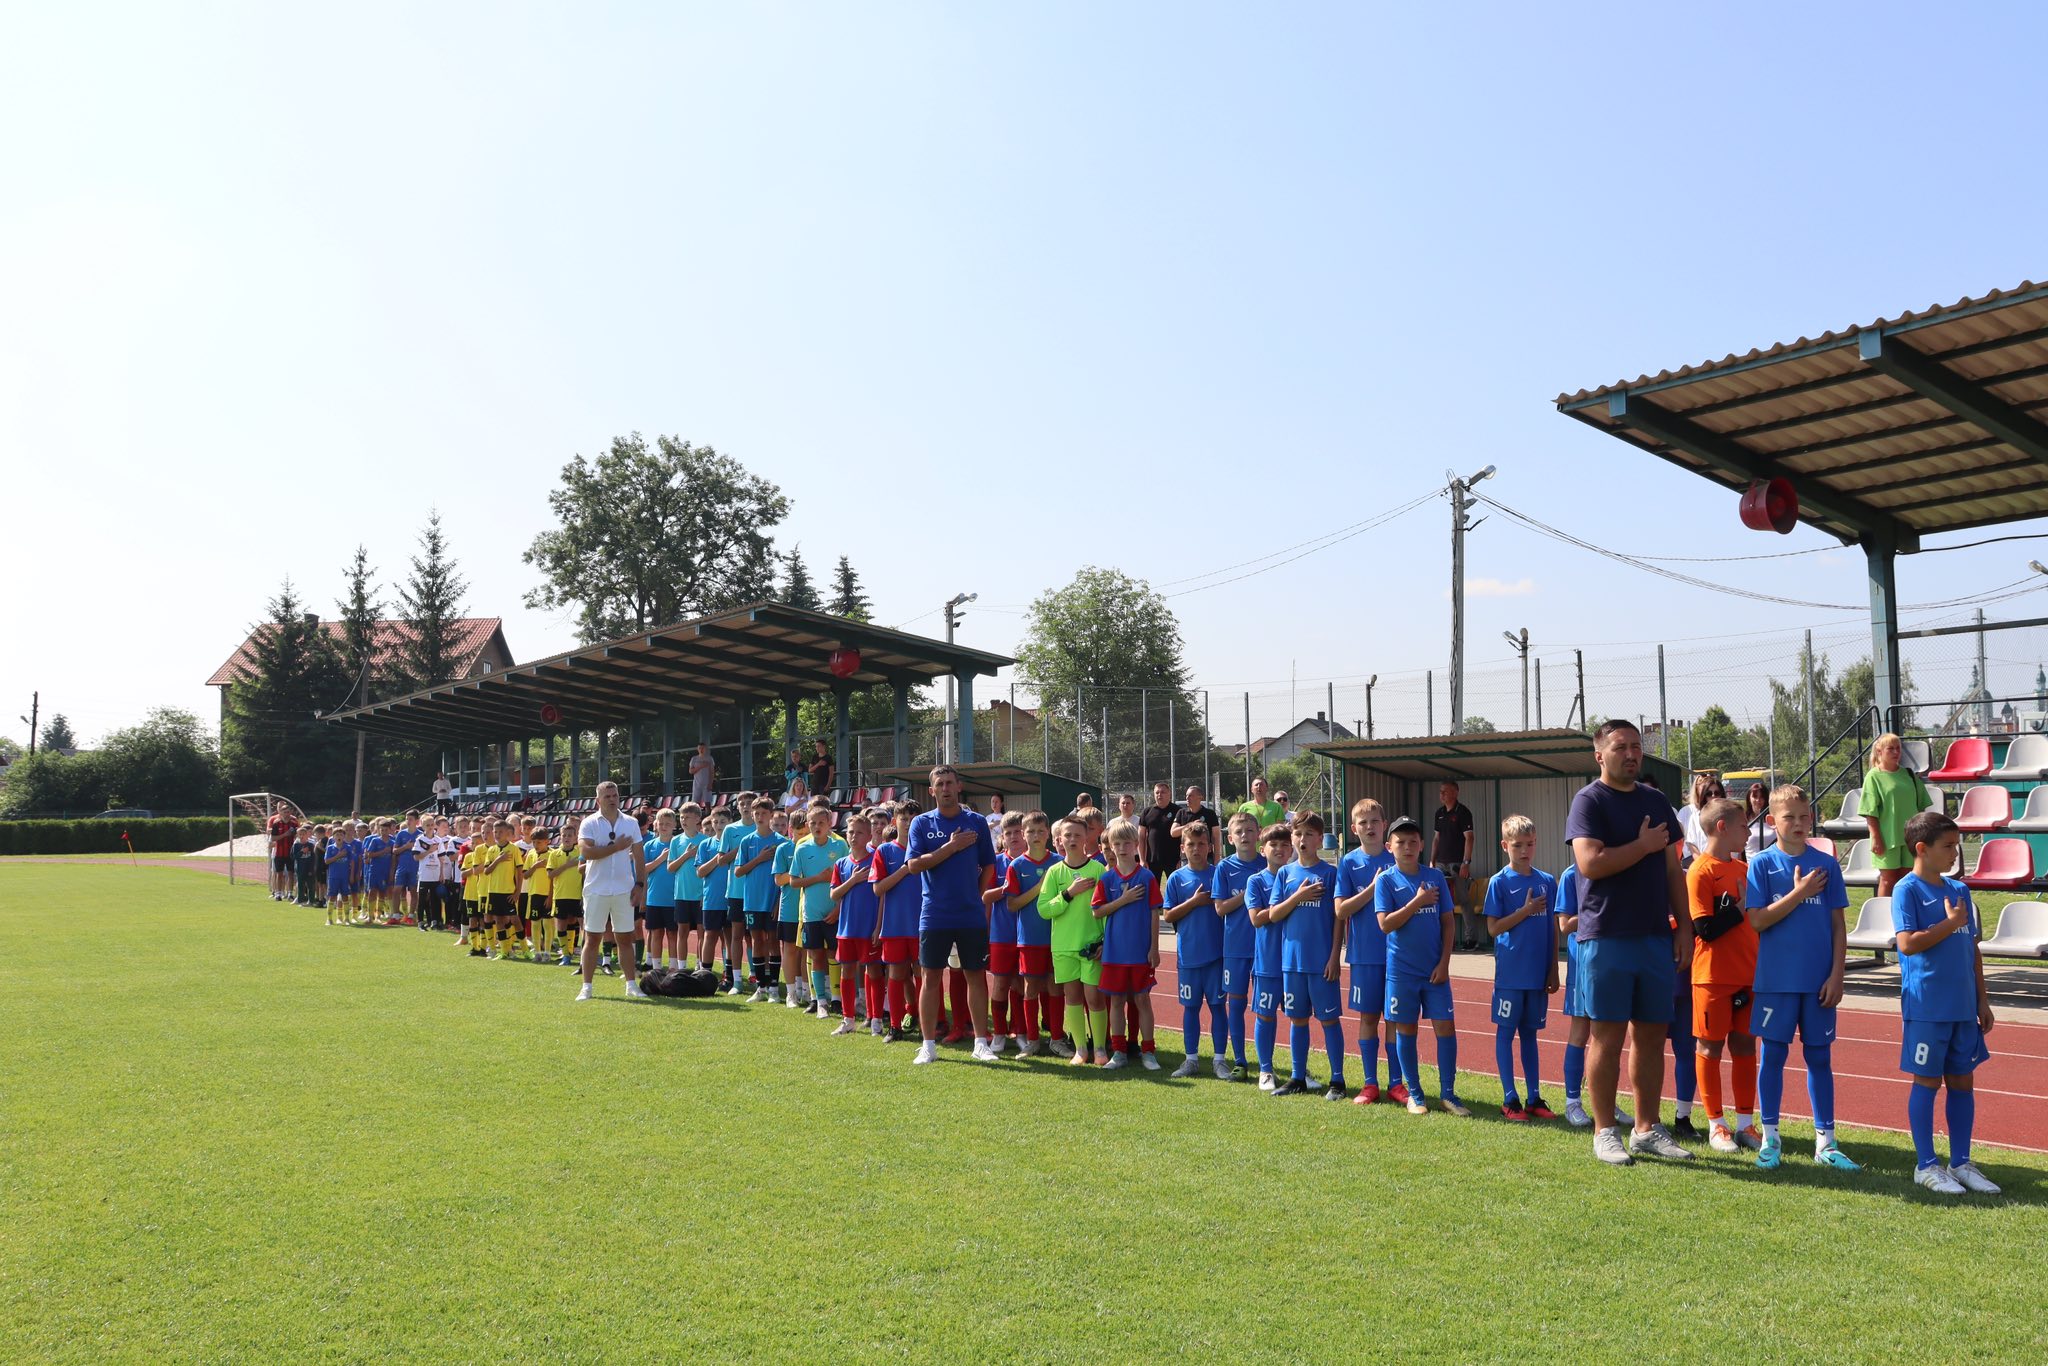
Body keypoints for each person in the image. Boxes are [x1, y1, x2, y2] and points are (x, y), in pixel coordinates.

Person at [1565, 720, 1692, 1165]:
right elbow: (1591, 863)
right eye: (1621, 747)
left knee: (1652, 1036)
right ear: (1600, 755)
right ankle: (1604, 1131)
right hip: (1606, 935)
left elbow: (1673, 870)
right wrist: (1642, 846)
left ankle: (1646, 1128)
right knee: (1607, 1036)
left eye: (1636, 746)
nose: (1632, 754)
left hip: (1654, 936)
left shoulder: (1655, 801)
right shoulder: (1589, 801)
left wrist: (1685, 926)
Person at [1744, 784, 1855, 1172]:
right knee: (1772, 1056)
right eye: (1789, 817)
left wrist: (1837, 974)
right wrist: (1799, 892)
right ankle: (1771, 1139)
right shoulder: (1761, 864)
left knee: (1819, 1057)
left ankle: (1826, 1142)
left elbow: (1838, 926)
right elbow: (1757, 921)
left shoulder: (1826, 864)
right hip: (1776, 981)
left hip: (1818, 982)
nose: (1798, 823)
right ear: (1772, 821)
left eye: (1804, 816)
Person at [1891, 809, 2001, 1195]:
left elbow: (1972, 950)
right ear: (1922, 848)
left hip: (1962, 1006)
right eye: (1948, 846)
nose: (1956, 853)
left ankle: (1961, 1162)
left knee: (1962, 1081)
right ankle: (1925, 1165)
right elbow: (1907, 944)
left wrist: (1982, 1000)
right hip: (1927, 1006)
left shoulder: (1960, 891)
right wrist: (1949, 924)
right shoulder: (1906, 889)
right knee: (1927, 1081)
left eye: (1957, 845)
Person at [904, 766, 1000, 1064]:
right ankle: (928, 1045)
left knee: (975, 976)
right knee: (930, 977)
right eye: (939, 784)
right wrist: (951, 847)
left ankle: (981, 1043)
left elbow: (989, 865)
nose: (945, 788)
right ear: (931, 790)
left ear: (959, 786)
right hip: (934, 914)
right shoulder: (921, 823)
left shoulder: (976, 822)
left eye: (949, 783)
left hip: (970, 914)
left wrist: (976, 895)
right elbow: (913, 865)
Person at [1686, 797, 1760, 1153]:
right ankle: (1716, 1124)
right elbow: (1704, 929)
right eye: (1743, 826)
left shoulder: (1745, 869)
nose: (1749, 832)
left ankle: (1746, 1124)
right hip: (1713, 977)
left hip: (1748, 974)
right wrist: (1737, 910)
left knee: (1745, 1046)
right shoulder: (1700, 871)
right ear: (1722, 827)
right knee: (1710, 1047)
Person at [1376, 816, 1463, 1116]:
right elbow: (1386, 924)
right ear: (1389, 847)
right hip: (1402, 972)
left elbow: (1448, 922)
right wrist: (1417, 901)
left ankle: (1449, 1095)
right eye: (1400, 842)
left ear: (1423, 845)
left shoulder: (1435, 877)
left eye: (1413, 841)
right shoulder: (1386, 880)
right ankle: (1415, 1094)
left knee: (1445, 1027)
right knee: (1406, 1028)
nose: (1408, 847)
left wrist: (1445, 962)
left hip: (1435, 970)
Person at [1266, 811, 1346, 1099]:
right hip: (1292, 962)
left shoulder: (1331, 874)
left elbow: (1339, 918)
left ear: (1319, 840)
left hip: (1321, 962)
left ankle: (1337, 1081)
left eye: (1309, 835)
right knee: (1297, 1019)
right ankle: (1298, 1077)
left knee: (1329, 1020)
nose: (1302, 839)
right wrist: (1298, 896)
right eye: (1298, 834)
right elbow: (1273, 914)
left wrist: (1335, 956)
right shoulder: (1285, 874)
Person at [1484, 815, 1558, 1121]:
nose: (1525, 850)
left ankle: (1534, 1097)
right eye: (1517, 845)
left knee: (1531, 1035)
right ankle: (1509, 1098)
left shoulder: (1547, 881)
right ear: (1505, 846)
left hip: (1538, 975)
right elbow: (1493, 928)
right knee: (1506, 1033)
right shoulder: (1498, 882)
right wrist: (1525, 911)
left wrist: (1553, 969)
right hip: (1511, 975)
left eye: (1530, 844)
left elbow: (1553, 928)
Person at [1334, 799, 1396, 1105]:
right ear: (1353, 828)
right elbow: (1341, 910)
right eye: (1363, 822)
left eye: (1374, 821)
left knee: (1396, 1020)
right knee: (1369, 1018)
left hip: (1397, 956)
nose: (1369, 827)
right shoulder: (1348, 863)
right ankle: (1370, 1083)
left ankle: (1397, 1083)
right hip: (1364, 955)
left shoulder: (1397, 858)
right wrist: (1373, 888)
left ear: (1384, 825)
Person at [1091, 818, 1163, 1070]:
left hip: (1140, 952)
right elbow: (1097, 911)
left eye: (1127, 843)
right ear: (1110, 846)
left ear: (1136, 845)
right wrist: (1123, 900)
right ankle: (1119, 1052)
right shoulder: (1107, 879)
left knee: (1142, 1000)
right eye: (1117, 844)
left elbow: (1154, 913)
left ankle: (1148, 1052)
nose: (1122, 848)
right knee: (1116, 1002)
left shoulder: (1146, 876)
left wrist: (1154, 948)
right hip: (1114, 953)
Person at [1037, 814, 1108, 1066]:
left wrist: (1104, 941)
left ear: (1087, 837)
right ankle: (1080, 1050)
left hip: (1091, 946)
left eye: (1078, 834)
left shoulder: (1097, 870)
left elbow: (1105, 910)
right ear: (1059, 839)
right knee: (1073, 998)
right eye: (1068, 835)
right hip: (1064, 947)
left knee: (1094, 998)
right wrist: (1068, 893)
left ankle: (1099, 1048)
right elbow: (1044, 909)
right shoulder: (1054, 872)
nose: (1073, 839)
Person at [574, 781, 648, 1000]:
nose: (612, 799)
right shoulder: (589, 823)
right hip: (596, 889)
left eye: (615, 795)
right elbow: (586, 852)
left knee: (625, 938)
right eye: (607, 796)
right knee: (592, 939)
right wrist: (616, 848)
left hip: (624, 889)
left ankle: (631, 985)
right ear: (598, 800)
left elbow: (639, 856)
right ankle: (586, 987)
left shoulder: (631, 823)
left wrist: (640, 885)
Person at [1165, 823, 1228, 1079]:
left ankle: (1219, 1060)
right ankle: (1191, 1059)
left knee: (1217, 1007)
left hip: (1216, 956)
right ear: (1183, 848)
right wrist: (1194, 902)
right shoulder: (1176, 878)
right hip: (1188, 957)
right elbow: (1168, 915)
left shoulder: (1219, 874)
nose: (1196, 849)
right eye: (1191, 844)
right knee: (1190, 1008)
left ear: (1210, 847)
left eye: (1201, 844)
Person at [1003, 811, 1062, 1057]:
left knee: (1055, 988)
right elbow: (1012, 904)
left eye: (1040, 831)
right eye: (1031, 831)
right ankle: (1033, 1040)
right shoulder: (1017, 866)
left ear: (1048, 834)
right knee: (1031, 988)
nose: (1036, 835)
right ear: (1024, 834)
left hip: (1057, 938)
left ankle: (1057, 1039)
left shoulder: (1059, 863)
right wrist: (1039, 889)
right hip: (1029, 938)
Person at [1212, 811, 1262, 1078]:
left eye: (1249, 830)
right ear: (1230, 838)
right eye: (1239, 832)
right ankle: (1240, 1061)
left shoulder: (1268, 864)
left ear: (1258, 834)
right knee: (1237, 1004)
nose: (1245, 836)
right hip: (1235, 948)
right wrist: (1247, 894)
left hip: (1265, 949)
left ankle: (1267, 1064)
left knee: (1266, 1008)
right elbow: (1220, 908)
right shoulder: (1224, 868)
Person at [787, 805, 847, 1020]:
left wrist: (839, 908)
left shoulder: (840, 846)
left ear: (830, 824)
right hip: (811, 913)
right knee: (816, 955)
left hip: (834, 912)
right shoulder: (802, 848)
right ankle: (820, 1001)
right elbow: (794, 882)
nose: (817, 826)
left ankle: (837, 999)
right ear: (807, 825)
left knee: (835, 954)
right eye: (813, 823)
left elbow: (848, 878)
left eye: (821, 822)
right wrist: (819, 878)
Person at [870, 799, 923, 1040]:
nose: (908, 823)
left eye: (913, 819)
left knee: (924, 975)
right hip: (894, 926)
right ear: (895, 821)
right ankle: (895, 1026)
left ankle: (929, 1023)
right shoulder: (884, 851)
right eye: (904, 819)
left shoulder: (926, 850)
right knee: (896, 975)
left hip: (923, 925)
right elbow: (878, 889)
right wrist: (904, 869)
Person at [830, 812, 885, 1037]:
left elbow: (882, 896)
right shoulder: (841, 864)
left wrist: (878, 926)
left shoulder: (875, 860)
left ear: (869, 835)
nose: (854, 837)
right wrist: (852, 880)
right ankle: (848, 1019)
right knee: (847, 971)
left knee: (874, 970)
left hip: (868, 928)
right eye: (851, 832)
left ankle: (876, 1020)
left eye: (859, 833)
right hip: (846, 928)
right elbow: (834, 895)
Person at [1245, 824, 1291, 1091]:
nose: (1280, 849)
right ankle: (1265, 1069)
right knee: (1265, 1015)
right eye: (1274, 845)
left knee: (1298, 1017)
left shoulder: (1298, 877)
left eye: (1285, 844)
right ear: (1262, 850)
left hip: (1295, 961)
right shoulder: (1256, 881)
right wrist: (1290, 903)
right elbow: (1256, 918)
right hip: (1268, 961)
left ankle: (1298, 1070)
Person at [1862, 732, 1932, 898]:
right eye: (1890, 749)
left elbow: (1921, 807)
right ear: (1879, 752)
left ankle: (1906, 911)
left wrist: (1921, 834)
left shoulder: (1909, 775)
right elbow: (1870, 812)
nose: (1896, 752)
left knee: (1908, 878)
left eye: (1898, 748)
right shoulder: (1873, 777)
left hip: (1910, 837)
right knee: (1888, 880)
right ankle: (1883, 912)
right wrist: (1876, 837)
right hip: (1887, 838)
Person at [736, 798, 789, 1002]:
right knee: (757, 940)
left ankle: (774, 987)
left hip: (773, 901)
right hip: (752, 901)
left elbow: (786, 876)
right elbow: (739, 871)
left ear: (771, 815)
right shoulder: (746, 841)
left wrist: (778, 902)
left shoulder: (782, 842)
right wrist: (759, 858)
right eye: (756, 813)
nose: (759, 817)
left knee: (773, 941)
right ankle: (761, 987)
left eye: (764, 813)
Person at [984, 811, 1028, 1051]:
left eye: (1017, 832)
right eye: (1008, 832)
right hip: (1001, 934)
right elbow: (985, 896)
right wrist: (1005, 888)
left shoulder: (1034, 862)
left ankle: (1020, 1031)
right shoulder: (996, 862)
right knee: (1000, 984)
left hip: (1027, 934)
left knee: (1021, 985)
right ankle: (999, 1034)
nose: (1013, 837)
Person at [696, 805, 740, 992]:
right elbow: (700, 872)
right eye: (716, 821)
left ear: (730, 822)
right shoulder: (706, 845)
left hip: (731, 896)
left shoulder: (735, 843)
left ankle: (729, 976)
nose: (719, 825)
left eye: (723, 821)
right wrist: (719, 858)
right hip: (712, 898)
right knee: (710, 935)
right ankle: (705, 974)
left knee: (729, 937)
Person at [1432, 780, 1478, 951]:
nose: (1442, 794)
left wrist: (1466, 862)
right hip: (1440, 864)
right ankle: (1441, 938)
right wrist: (1432, 861)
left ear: (1455, 792)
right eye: (1440, 791)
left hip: (1457, 864)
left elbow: (1469, 838)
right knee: (1438, 900)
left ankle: (1471, 939)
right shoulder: (1439, 813)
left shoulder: (1463, 812)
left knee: (1463, 900)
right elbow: (1436, 839)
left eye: (1445, 791)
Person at [641, 809, 680, 970]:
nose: (664, 826)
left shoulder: (678, 843)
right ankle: (656, 968)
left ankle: (673, 967)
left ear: (674, 825)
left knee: (672, 934)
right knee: (656, 933)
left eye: (668, 824)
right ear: (655, 824)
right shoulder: (649, 845)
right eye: (661, 823)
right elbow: (643, 869)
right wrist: (661, 859)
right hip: (654, 897)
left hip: (674, 898)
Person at [1138, 781, 1183, 882]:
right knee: (1152, 889)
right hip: (1152, 860)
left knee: (1175, 887)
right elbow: (1141, 837)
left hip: (1173, 859)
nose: (1159, 795)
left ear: (1169, 793)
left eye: (1163, 792)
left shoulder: (1178, 811)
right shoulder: (1147, 812)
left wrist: (1182, 858)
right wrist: (1142, 859)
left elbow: (1184, 835)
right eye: (1157, 792)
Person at [1677, 774, 1725, 865]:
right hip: (1701, 866)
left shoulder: (1730, 815)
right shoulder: (1693, 816)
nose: (1713, 796)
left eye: (1717, 793)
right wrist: (1704, 866)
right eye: (1709, 793)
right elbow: (1692, 847)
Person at [268, 804, 300, 901]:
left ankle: (290, 893)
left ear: (291, 813)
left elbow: (298, 836)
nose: (286, 814)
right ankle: (278, 893)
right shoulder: (276, 824)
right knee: (279, 874)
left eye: (288, 812)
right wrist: (285, 835)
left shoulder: (294, 824)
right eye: (284, 812)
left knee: (291, 873)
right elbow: (273, 838)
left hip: (290, 853)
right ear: (281, 813)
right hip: (279, 852)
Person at [1742, 781, 1776, 856]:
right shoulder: (1743, 819)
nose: (1758, 800)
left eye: (1761, 797)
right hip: (1751, 861)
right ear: (1749, 798)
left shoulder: (1773, 818)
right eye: (1755, 796)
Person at [688, 743, 717, 808]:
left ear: (705, 749)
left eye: (702, 748)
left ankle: (708, 814)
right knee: (695, 803)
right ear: (697, 749)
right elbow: (690, 771)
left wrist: (710, 784)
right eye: (699, 748)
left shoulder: (709, 758)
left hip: (707, 783)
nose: (701, 750)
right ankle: (696, 813)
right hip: (697, 784)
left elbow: (712, 772)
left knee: (707, 803)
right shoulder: (694, 759)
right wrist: (701, 766)